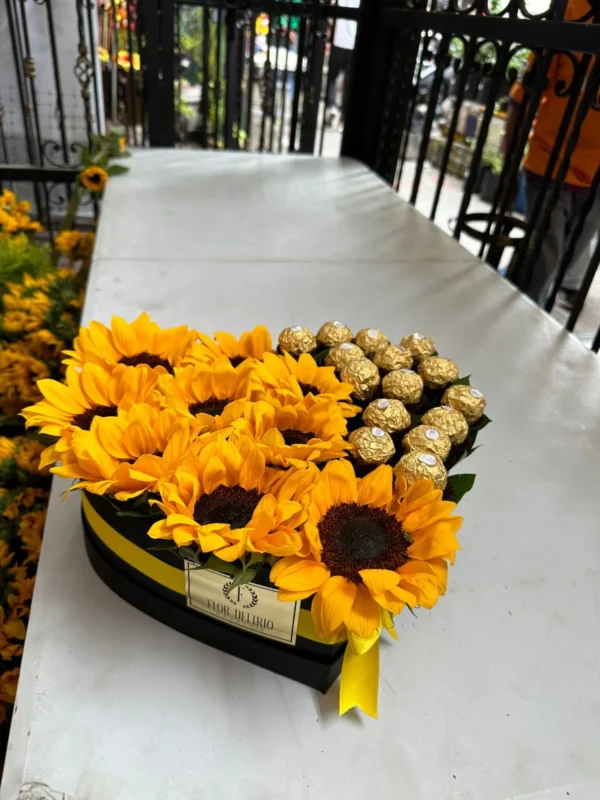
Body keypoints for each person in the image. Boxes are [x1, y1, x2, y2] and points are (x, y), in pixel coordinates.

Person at [503, 0, 600, 308]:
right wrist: (510, 142)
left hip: (596, 172)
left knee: (567, 252)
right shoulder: (573, 9)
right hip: (551, 159)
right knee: (546, 255)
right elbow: (530, 87)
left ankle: (527, 300)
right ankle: (522, 316)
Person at [326, 0, 361, 126]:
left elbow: (330, 11)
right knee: (347, 82)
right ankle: (341, 115)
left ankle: (332, 108)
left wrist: (329, 36)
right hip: (349, 43)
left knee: (333, 78)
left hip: (340, 41)